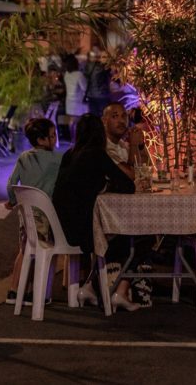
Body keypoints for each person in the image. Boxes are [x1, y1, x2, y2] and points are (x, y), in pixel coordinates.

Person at [51, 114, 139, 311]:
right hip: (80, 232)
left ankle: (91, 286)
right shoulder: (96, 154)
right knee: (133, 236)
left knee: (113, 235)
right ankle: (120, 291)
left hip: (59, 227)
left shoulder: (70, 154)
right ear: (100, 133)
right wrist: (107, 184)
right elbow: (128, 185)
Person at [4, 117, 63, 306]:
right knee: (45, 251)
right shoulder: (58, 159)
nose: (55, 140)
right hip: (47, 217)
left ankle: (14, 291)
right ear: (41, 139)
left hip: (27, 215)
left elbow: (11, 184)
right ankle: (38, 293)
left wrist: (13, 201)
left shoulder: (23, 158)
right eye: (52, 136)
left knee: (25, 250)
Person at [100, 102, 149, 175]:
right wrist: (134, 144)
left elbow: (146, 168)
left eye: (124, 116)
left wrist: (140, 145)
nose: (121, 121)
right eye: (115, 116)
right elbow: (133, 176)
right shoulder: (103, 147)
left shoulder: (122, 144)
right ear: (104, 121)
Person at [62, 54, 87, 138]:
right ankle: (78, 140)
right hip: (78, 102)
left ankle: (72, 140)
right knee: (79, 123)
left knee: (71, 122)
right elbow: (84, 87)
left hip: (69, 102)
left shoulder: (66, 74)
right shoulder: (79, 75)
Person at [83, 47, 112, 117]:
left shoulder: (90, 65)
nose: (105, 59)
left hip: (91, 96)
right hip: (102, 96)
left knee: (94, 117)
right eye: (103, 57)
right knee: (104, 116)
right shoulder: (105, 68)